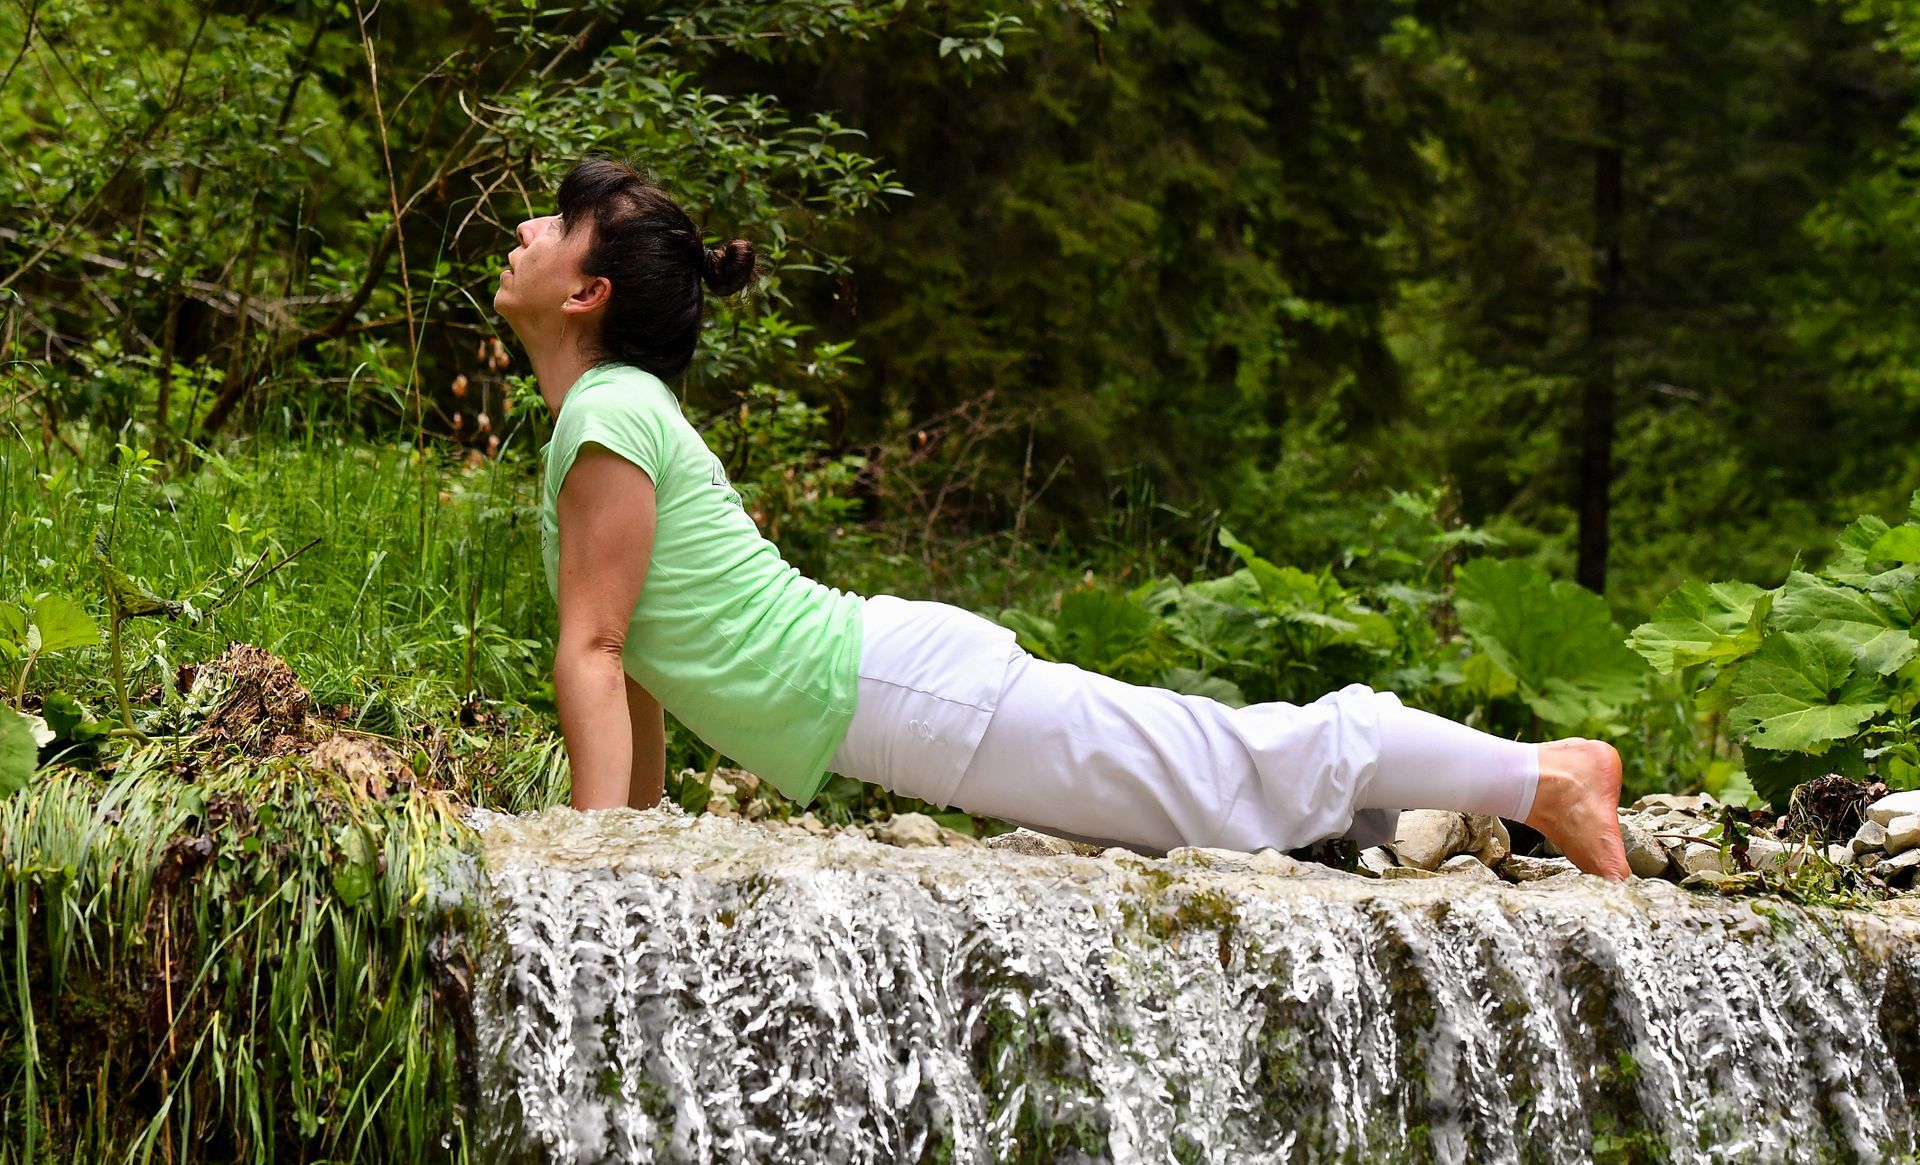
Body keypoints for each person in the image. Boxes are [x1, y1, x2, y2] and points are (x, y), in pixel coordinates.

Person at [493, 157, 1631, 881]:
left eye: (559, 222)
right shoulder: (616, 410)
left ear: (589, 293)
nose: (529, 228)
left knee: (1222, 774)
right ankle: (1478, 790)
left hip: (908, 694)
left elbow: (596, 652)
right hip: (896, 693)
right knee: (1207, 786)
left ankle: (1544, 776)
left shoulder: (607, 413)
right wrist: (632, 842)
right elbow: (634, 666)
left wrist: (591, 872)